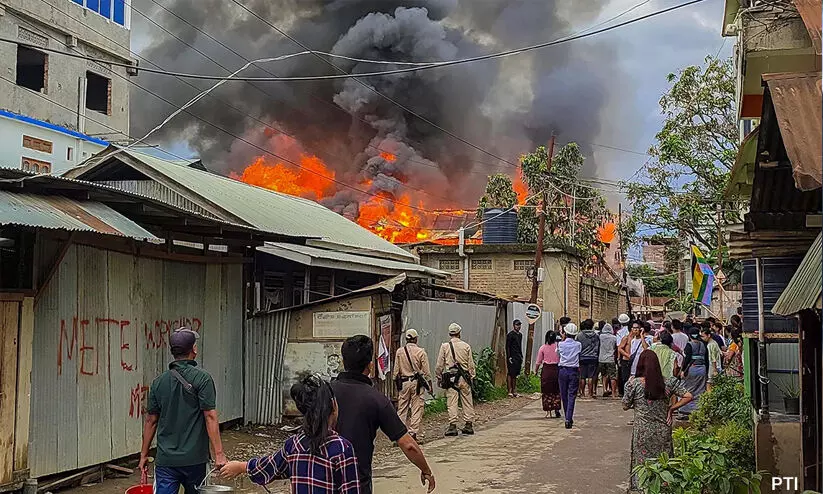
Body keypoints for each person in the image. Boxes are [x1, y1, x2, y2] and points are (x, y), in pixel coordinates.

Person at [219, 376, 360, 493]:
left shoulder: (294, 445)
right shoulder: (342, 449)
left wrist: (240, 466)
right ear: (334, 405)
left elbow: (270, 467)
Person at [331, 335, 435, 494]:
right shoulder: (376, 399)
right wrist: (426, 469)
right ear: (370, 365)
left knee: (404, 407)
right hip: (357, 482)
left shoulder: (325, 392)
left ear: (343, 361)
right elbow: (408, 444)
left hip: (321, 479)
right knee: (415, 409)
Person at [138, 328, 226, 494]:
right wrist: (219, 454)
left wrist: (144, 455)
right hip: (196, 460)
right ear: (193, 349)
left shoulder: (158, 382)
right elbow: (210, 417)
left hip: (166, 461)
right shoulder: (203, 379)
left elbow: (151, 421)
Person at [623, 350, 693, 493]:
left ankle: (642, 489)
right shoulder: (668, 383)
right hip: (663, 429)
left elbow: (625, 405)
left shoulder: (633, 384)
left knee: (642, 464)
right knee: (664, 463)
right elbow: (688, 396)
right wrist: (672, 408)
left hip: (642, 431)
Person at [436, 323, 477, 437]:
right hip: (464, 377)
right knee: (467, 400)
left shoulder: (445, 346)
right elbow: (471, 365)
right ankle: (468, 424)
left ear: (450, 334)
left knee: (452, 402)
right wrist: (472, 377)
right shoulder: (466, 346)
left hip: (451, 378)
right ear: (459, 333)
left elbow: (439, 364)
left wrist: (439, 377)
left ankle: (453, 425)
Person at [392, 329, 431, 442]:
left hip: (403, 383)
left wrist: (396, 382)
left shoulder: (400, 351)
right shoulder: (421, 352)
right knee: (416, 408)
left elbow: (396, 371)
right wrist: (429, 383)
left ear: (406, 339)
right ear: (416, 339)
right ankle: (413, 433)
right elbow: (426, 371)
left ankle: (399, 435)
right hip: (416, 383)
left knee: (402, 409)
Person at [557, 323, 582, 429]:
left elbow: (558, 355)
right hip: (573, 371)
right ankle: (568, 418)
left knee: (564, 395)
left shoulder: (560, 344)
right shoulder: (578, 345)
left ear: (565, 333)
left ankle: (568, 417)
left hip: (562, 370)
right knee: (571, 395)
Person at [679, 328, 708, 416]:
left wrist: (683, 370)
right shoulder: (704, 344)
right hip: (702, 369)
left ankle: (686, 409)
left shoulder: (689, 345)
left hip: (692, 369)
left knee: (688, 388)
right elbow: (707, 359)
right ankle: (698, 408)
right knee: (700, 389)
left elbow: (687, 359)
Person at [534, 330, 561, 418]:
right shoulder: (558, 347)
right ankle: (557, 408)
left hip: (546, 370)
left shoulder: (542, 348)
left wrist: (536, 371)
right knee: (556, 390)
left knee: (546, 391)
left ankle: (548, 412)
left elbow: (538, 362)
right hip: (556, 370)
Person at [576, 319, 601, 398]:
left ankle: (582, 393)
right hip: (593, 358)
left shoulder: (579, 335)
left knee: (582, 376)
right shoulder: (596, 335)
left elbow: (577, 347)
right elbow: (598, 347)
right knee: (591, 377)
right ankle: (590, 393)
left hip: (582, 358)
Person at [598, 323, 618, 398]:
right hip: (610, 359)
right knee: (612, 376)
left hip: (601, 359)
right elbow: (616, 347)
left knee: (604, 375)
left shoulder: (601, 336)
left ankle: (604, 389)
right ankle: (613, 393)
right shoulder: (614, 338)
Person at [701, 325, 723, 391]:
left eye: (703, 336)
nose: (702, 338)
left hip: (713, 367)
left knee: (709, 384)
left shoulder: (710, 345)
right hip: (718, 366)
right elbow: (721, 354)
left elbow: (713, 358)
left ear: (708, 335)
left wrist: (714, 369)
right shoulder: (714, 342)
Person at [506, 319, 524, 397]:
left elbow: (519, 346)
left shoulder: (520, 335)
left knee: (516, 374)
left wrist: (521, 356)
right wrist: (509, 356)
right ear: (514, 325)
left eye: (519, 325)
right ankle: (509, 390)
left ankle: (514, 390)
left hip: (518, 356)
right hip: (512, 356)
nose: (518, 326)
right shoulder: (510, 335)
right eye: (517, 325)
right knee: (510, 373)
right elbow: (507, 346)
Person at [615, 313, 631, 397]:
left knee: (623, 374)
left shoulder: (619, 333)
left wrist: (618, 357)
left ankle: (623, 392)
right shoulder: (631, 331)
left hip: (623, 355)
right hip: (631, 354)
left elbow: (618, 346)